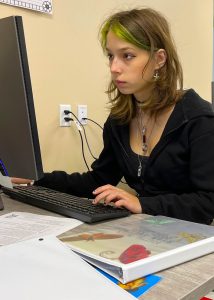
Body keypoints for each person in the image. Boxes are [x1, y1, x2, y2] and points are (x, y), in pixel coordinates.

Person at [13, 8, 214, 224]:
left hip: (192, 239)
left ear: (159, 59)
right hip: (145, 229)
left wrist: (143, 204)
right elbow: (98, 180)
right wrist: (38, 179)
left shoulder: (199, 119)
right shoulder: (120, 119)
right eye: (111, 55)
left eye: (127, 56)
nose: (114, 67)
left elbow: (208, 202)